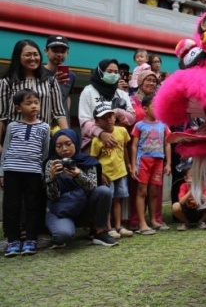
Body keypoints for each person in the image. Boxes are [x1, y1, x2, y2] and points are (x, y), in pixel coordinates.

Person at [45, 129, 118, 248]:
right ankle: (61, 228)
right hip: (61, 210)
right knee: (63, 235)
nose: (64, 149)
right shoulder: (52, 163)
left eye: (68, 144)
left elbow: (93, 188)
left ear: (76, 143)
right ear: (54, 147)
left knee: (104, 191)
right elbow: (52, 196)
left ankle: (99, 232)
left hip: (83, 207)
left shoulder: (88, 162)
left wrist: (79, 175)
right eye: (59, 146)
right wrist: (51, 179)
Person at [0, 89, 50, 257]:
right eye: (28, 103)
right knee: (11, 206)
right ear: (18, 108)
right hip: (11, 171)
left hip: (34, 172)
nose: (34, 106)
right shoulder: (13, 126)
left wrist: (42, 172)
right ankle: (12, 240)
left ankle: (30, 239)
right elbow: (6, 149)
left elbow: (45, 152)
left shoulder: (44, 127)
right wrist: (2, 172)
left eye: (36, 102)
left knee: (33, 205)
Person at [0, 39, 68, 152]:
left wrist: (68, 137)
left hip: (42, 141)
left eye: (36, 54)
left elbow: (59, 113)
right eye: (28, 55)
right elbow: (1, 116)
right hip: (14, 143)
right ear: (18, 57)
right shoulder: (7, 82)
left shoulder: (50, 81)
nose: (33, 58)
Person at [89, 103, 133, 239]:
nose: (108, 120)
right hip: (106, 175)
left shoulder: (122, 131)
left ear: (115, 117)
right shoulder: (97, 140)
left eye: (110, 116)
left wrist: (129, 164)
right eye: (103, 118)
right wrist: (100, 174)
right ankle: (109, 227)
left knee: (118, 200)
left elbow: (125, 148)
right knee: (107, 200)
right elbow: (93, 159)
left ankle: (118, 226)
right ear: (97, 122)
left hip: (121, 171)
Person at [130, 95, 171, 235]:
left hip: (158, 161)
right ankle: (142, 223)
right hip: (143, 161)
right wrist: (133, 165)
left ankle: (154, 220)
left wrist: (169, 163)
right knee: (142, 191)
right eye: (154, 106)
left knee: (154, 192)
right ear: (145, 109)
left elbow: (167, 143)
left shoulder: (163, 125)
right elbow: (134, 146)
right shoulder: (139, 125)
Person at [78, 59, 135, 150]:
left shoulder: (122, 93)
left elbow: (132, 118)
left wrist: (118, 112)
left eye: (116, 72)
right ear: (100, 72)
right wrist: (101, 133)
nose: (113, 74)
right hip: (94, 143)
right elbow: (84, 122)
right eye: (109, 71)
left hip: (118, 144)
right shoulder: (88, 91)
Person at [43, 35, 76, 126]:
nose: (59, 54)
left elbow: (68, 96)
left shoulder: (71, 76)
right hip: (42, 121)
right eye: (55, 50)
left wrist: (65, 113)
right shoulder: (38, 72)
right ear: (46, 51)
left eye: (63, 51)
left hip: (62, 124)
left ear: (67, 53)